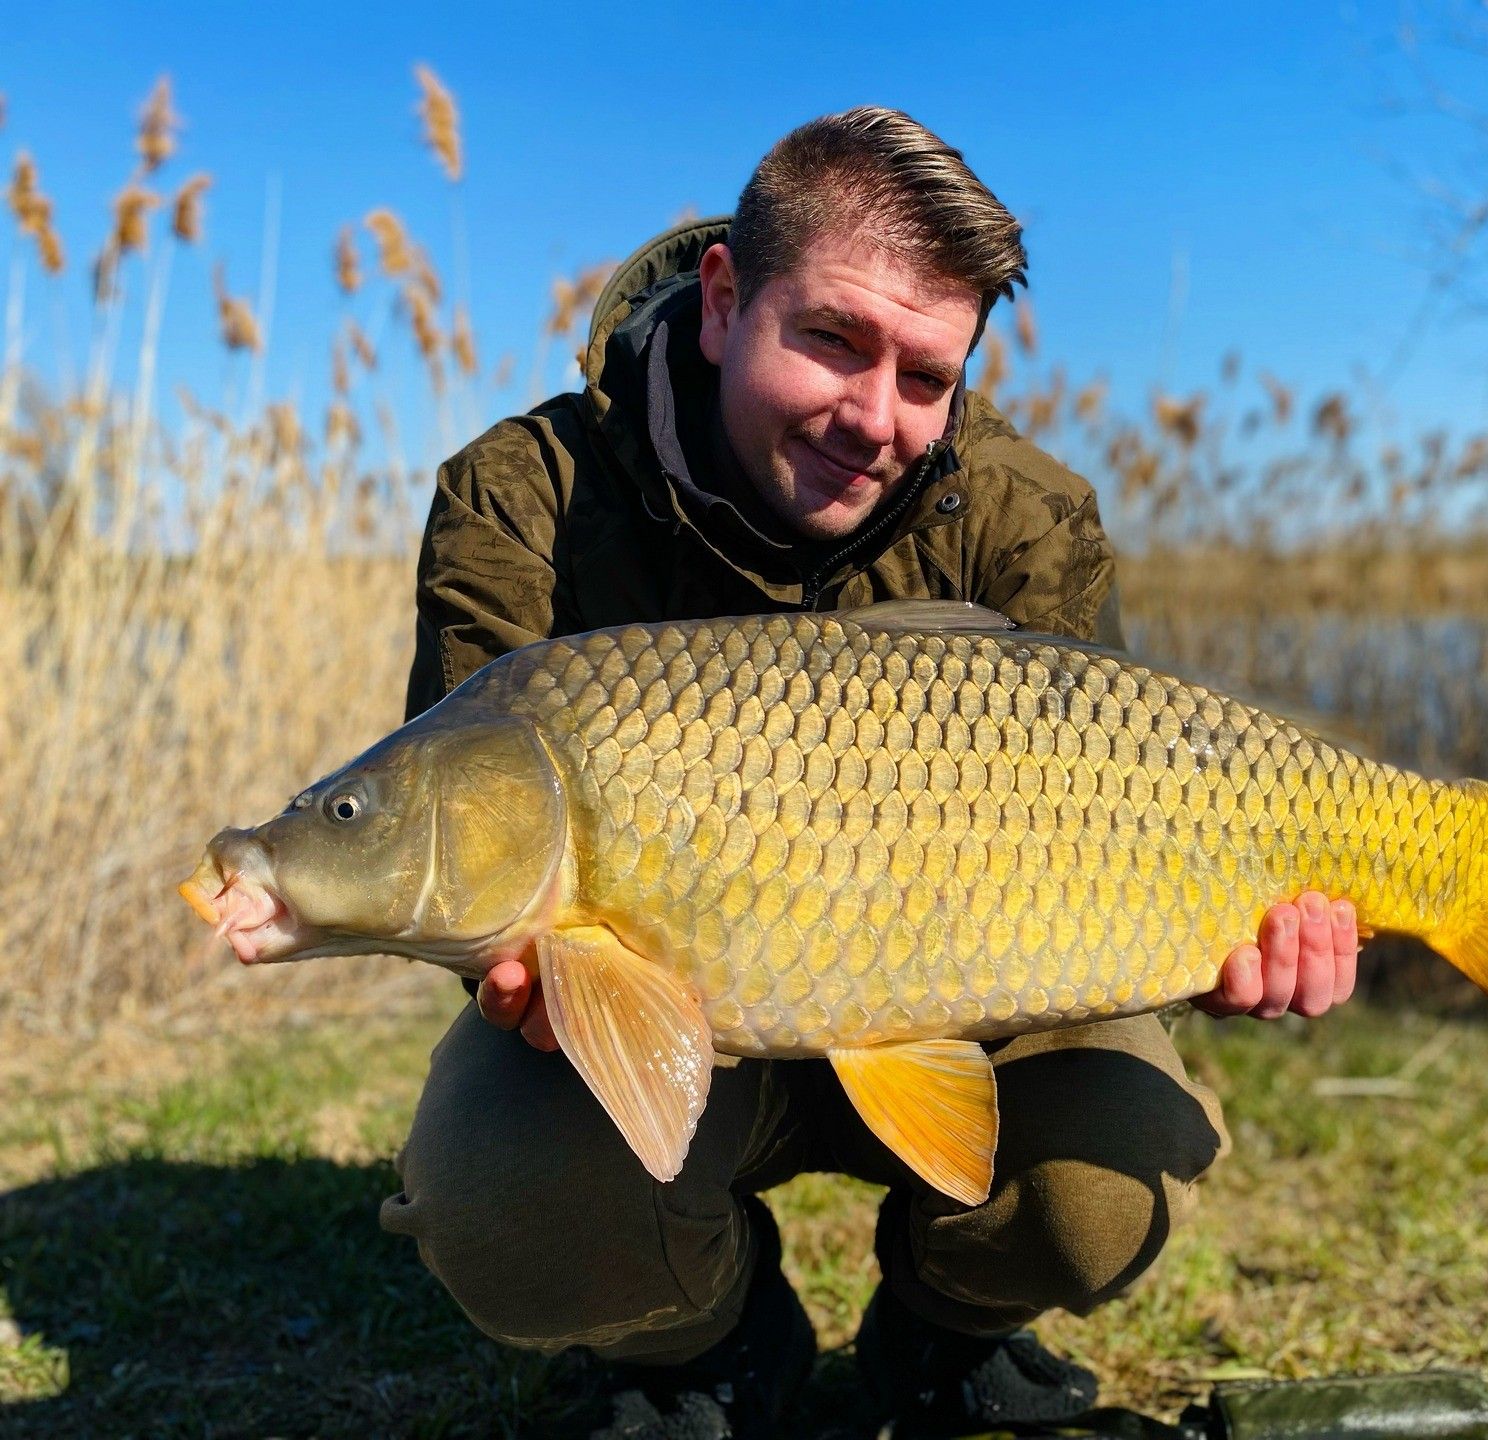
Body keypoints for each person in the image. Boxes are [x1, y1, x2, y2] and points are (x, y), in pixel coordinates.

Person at [379, 107, 1363, 1439]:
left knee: (1112, 1177)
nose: (874, 417)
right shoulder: (527, 496)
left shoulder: (1026, 518)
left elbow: (1119, 839)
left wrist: (1216, 948)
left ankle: (945, 1333)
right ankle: (705, 1345)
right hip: (664, 1022)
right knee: (505, 1196)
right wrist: (509, 965)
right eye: (834, 340)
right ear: (725, 301)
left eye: (926, 375)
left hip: (963, 995)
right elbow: (454, 840)